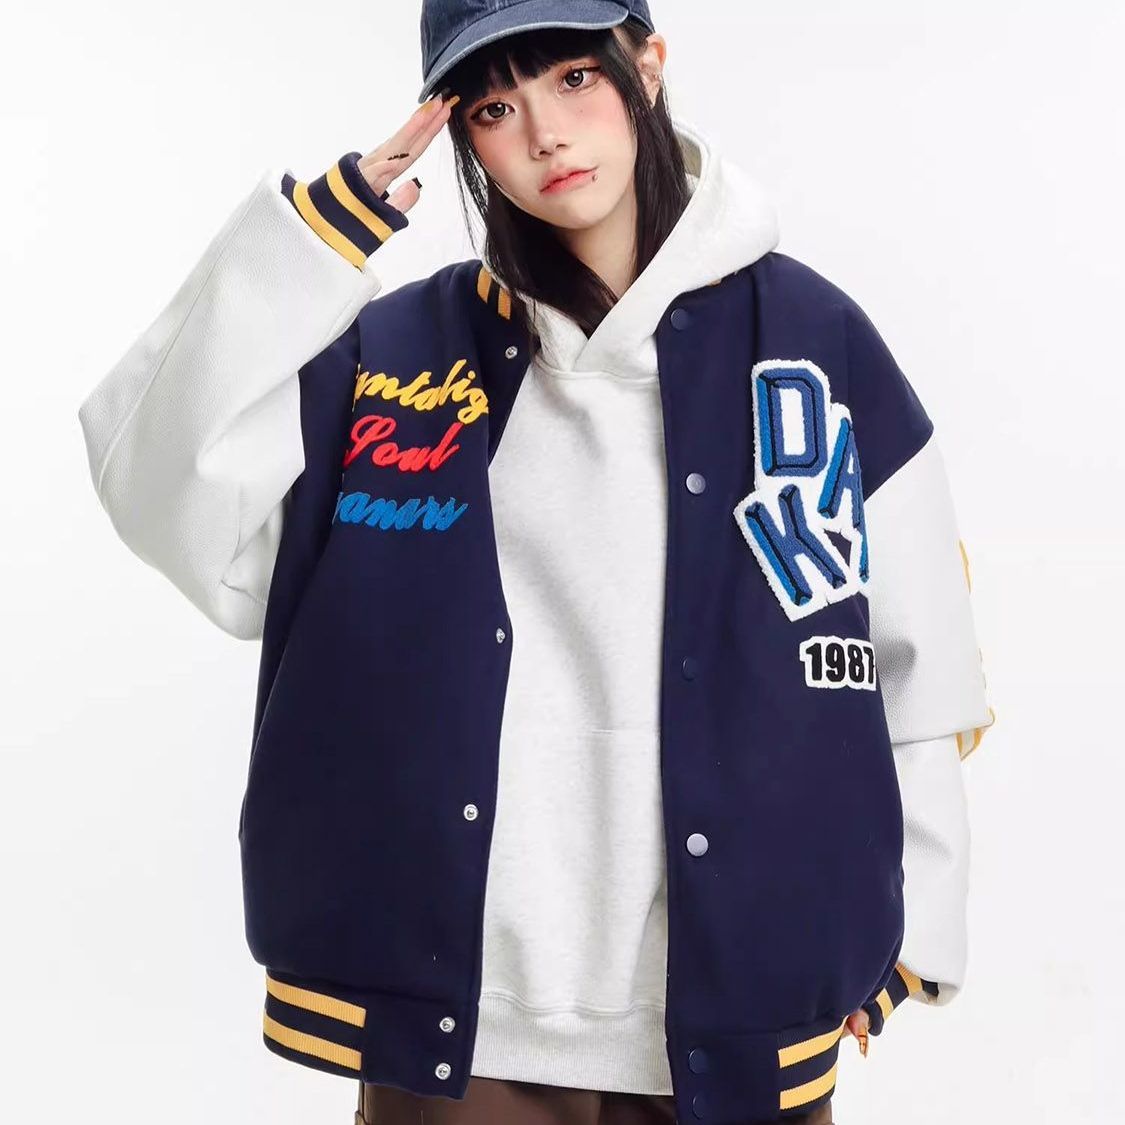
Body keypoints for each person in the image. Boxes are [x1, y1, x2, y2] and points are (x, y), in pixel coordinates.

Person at [76, 2, 995, 1123]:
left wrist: (916, 933)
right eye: (495, 108)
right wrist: (308, 249)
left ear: (645, 69)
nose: (546, 134)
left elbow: (919, 654)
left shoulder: (812, 343)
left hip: (740, 1010)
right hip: (466, 1029)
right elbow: (155, 484)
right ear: (460, 134)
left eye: (573, 78)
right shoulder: (395, 362)